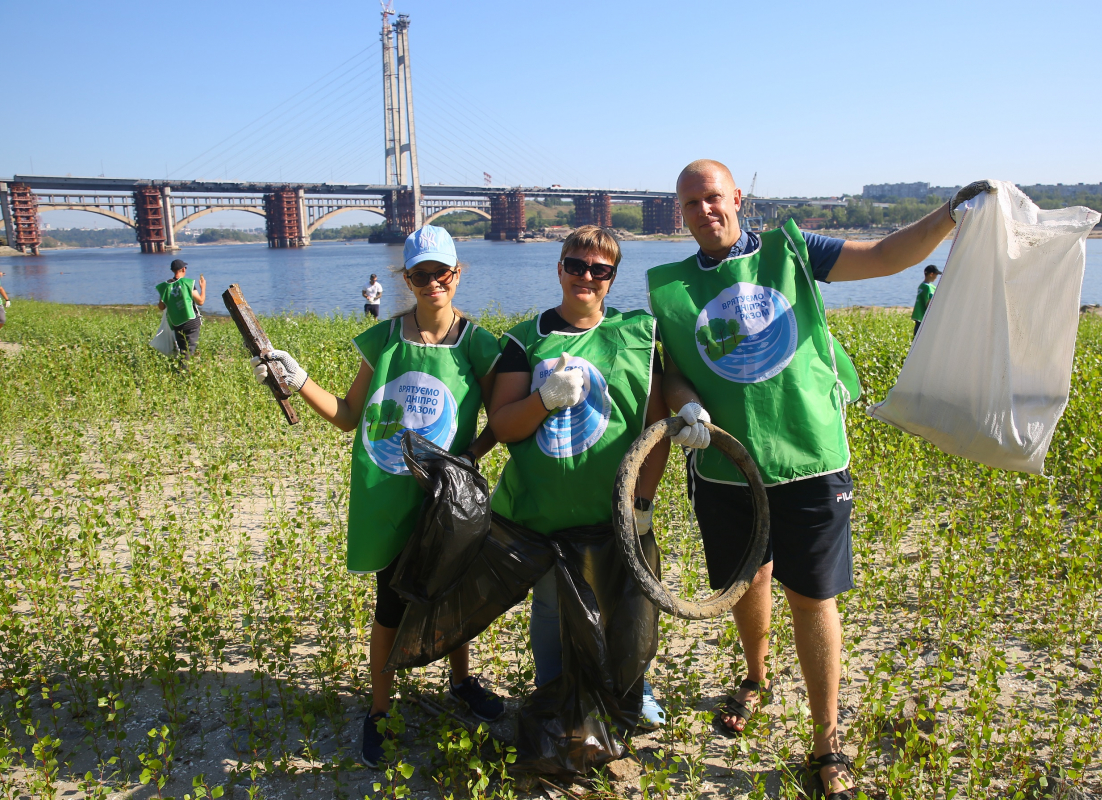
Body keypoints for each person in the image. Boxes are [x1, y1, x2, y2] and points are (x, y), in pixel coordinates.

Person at [648, 159, 994, 800]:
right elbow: (671, 371)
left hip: (809, 457)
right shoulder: (668, 287)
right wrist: (684, 402)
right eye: (692, 203)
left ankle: (825, 738)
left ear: (738, 198)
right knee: (747, 579)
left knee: (811, 596)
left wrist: (949, 214)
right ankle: (755, 677)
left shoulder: (791, 250)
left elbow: (887, 255)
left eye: (714, 198)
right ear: (681, 212)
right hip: (725, 467)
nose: (705, 211)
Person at [251, 225, 506, 768]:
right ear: (406, 279)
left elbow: (501, 421)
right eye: (420, 275)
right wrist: (297, 380)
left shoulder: (481, 345)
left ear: (457, 274)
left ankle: (461, 682)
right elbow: (348, 416)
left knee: (451, 593)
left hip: (447, 500)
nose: (432, 283)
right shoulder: (385, 339)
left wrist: (470, 457)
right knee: (390, 605)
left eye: (442, 273)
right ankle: (379, 708)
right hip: (388, 494)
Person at [488, 225, 671, 729]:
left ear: (612, 278)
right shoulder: (524, 339)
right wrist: (543, 399)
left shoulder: (637, 332)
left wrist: (644, 500)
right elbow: (503, 425)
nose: (585, 276)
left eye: (599, 270)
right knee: (550, 609)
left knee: (626, 602)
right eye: (575, 265)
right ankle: (555, 693)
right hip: (545, 509)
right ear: (560, 268)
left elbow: (656, 426)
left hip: (616, 505)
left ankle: (634, 688)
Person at [155, 259, 206, 358]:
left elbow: (161, 307)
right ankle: (184, 372)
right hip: (191, 322)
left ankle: (183, 370)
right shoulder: (188, 283)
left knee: (183, 350)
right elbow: (200, 301)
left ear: (173, 270)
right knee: (189, 351)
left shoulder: (165, 286)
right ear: (183, 269)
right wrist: (203, 287)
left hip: (176, 323)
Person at [912, 264, 941, 338]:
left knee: (917, 337)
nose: (936, 277)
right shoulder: (928, 287)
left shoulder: (921, 285)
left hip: (918, 315)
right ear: (931, 274)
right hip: (924, 317)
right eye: (936, 275)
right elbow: (928, 303)